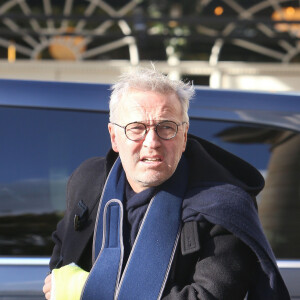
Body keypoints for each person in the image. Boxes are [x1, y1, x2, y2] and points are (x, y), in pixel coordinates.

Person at [43, 67, 290, 300]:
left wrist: (82, 291)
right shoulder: (89, 181)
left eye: (166, 127)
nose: (152, 142)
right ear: (114, 137)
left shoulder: (222, 208)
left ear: (184, 137)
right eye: (136, 128)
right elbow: (62, 259)